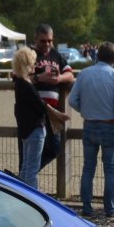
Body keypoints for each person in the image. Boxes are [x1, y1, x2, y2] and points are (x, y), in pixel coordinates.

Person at [68, 42, 114, 217]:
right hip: (109, 125)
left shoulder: (84, 74)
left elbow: (72, 100)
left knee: (88, 168)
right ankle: (110, 208)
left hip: (89, 125)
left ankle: (87, 207)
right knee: (109, 169)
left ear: (98, 55)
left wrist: (84, 110)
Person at [32, 24, 74, 170]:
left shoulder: (56, 55)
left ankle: (25, 175)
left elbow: (70, 74)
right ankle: (25, 177)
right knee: (32, 150)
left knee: (55, 148)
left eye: (49, 41)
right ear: (35, 39)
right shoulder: (29, 54)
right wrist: (39, 78)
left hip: (53, 112)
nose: (47, 44)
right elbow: (19, 78)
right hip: (34, 110)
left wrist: (60, 78)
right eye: (43, 41)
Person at [10, 46, 47, 190]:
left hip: (25, 131)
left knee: (25, 168)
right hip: (34, 130)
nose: (35, 65)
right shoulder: (26, 85)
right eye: (33, 62)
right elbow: (40, 106)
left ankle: (22, 196)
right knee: (31, 170)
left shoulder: (19, 83)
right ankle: (34, 201)